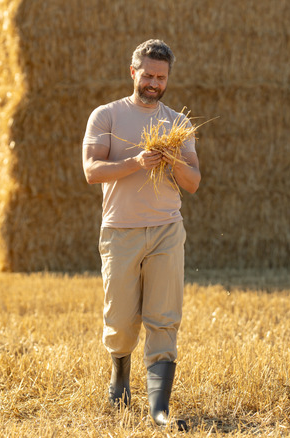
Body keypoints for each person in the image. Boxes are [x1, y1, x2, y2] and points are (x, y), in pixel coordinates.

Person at [81, 39, 200, 431]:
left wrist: (174, 162)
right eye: (147, 75)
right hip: (120, 230)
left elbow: (194, 182)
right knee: (120, 319)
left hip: (167, 228)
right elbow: (92, 170)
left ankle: (159, 409)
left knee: (164, 317)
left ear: (168, 78)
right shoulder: (107, 116)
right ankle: (119, 378)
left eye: (160, 77)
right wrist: (134, 162)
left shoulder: (179, 124)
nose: (153, 83)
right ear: (133, 72)